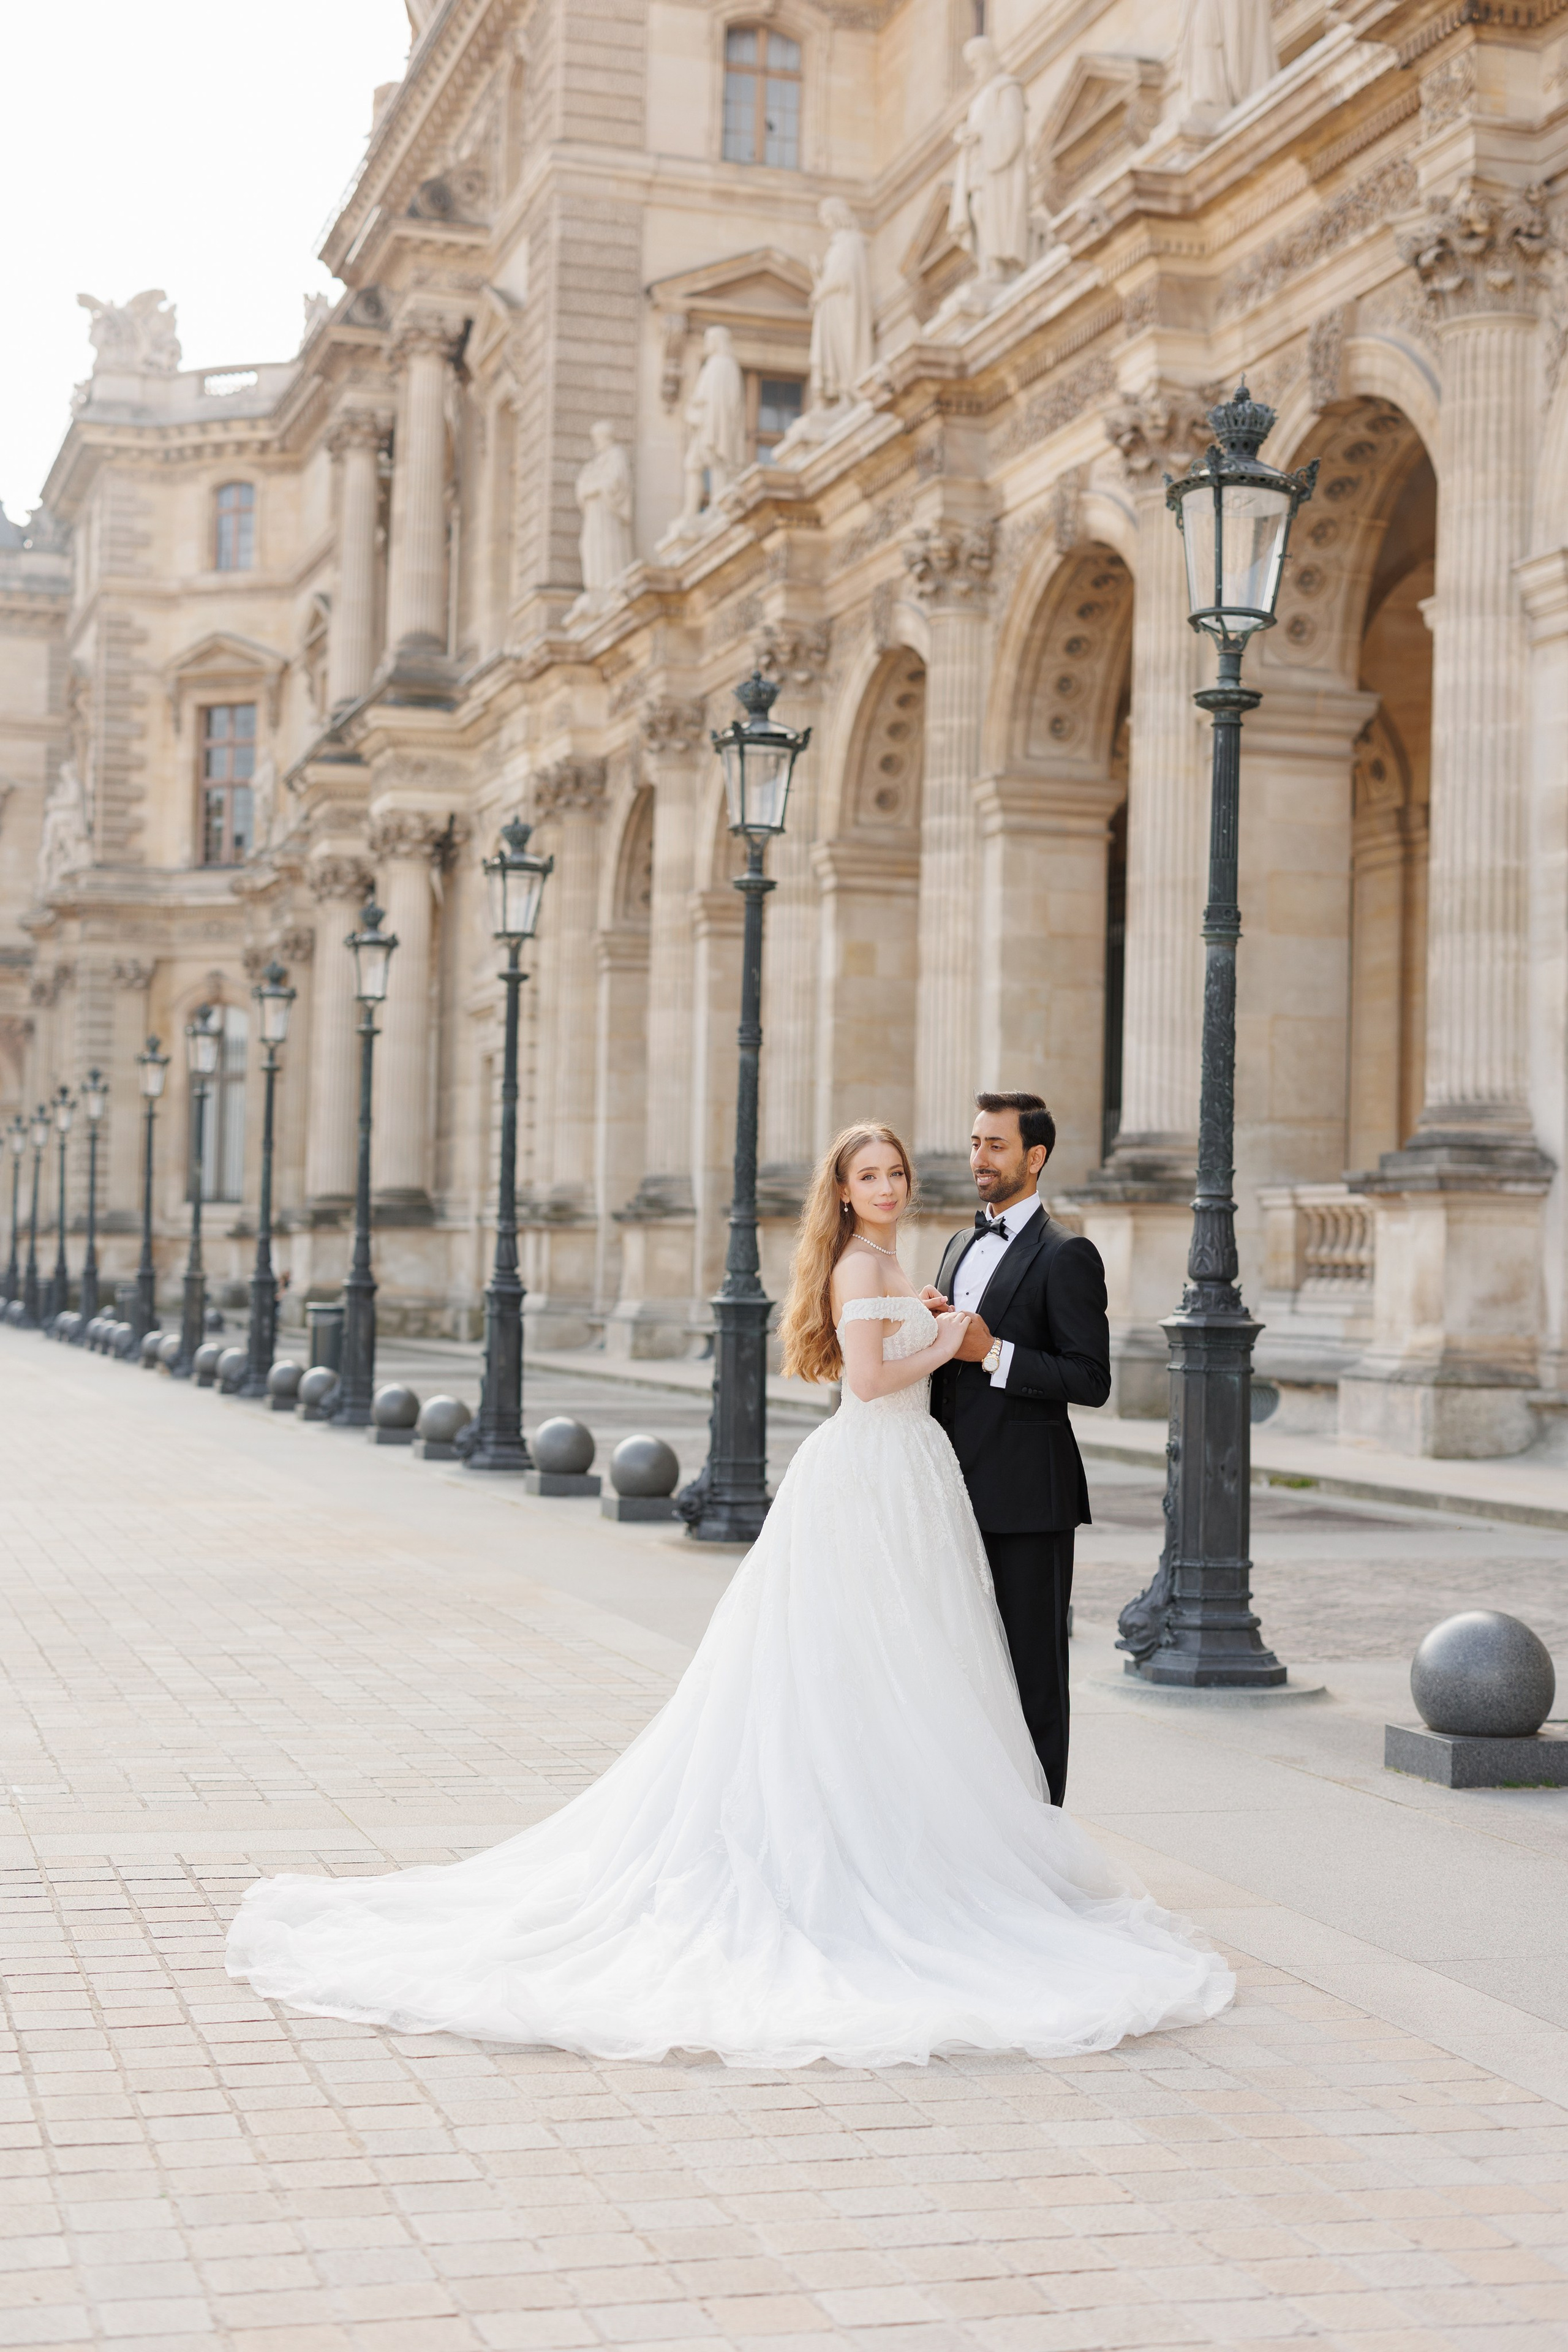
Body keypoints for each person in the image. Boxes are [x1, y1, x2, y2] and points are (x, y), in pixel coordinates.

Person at [226, 1120, 1230, 2065]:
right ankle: (857, 1847)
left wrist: (938, 1325)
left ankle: (896, 1832)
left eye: (897, 1175)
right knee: (859, 1657)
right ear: (843, 1192)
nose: (890, 1188)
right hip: (876, 1465)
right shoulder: (860, 1264)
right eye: (871, 1176)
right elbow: (873, 1380)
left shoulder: (885, 1264)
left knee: (905, 1663)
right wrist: (955, 1335)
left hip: (905, 1472)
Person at [926, 1093, 1110, 1808]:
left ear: (1033, 1158)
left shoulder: (1067, 1254)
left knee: (1032, 1674)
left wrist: (993, 1352)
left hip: (1028, 1500)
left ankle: (1042, 1833)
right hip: (947, 1490)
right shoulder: (957, 1245)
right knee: (965, 1670)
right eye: (975, 1143)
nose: (979, 1158)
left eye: (995, 1146)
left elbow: (1090, 1378)